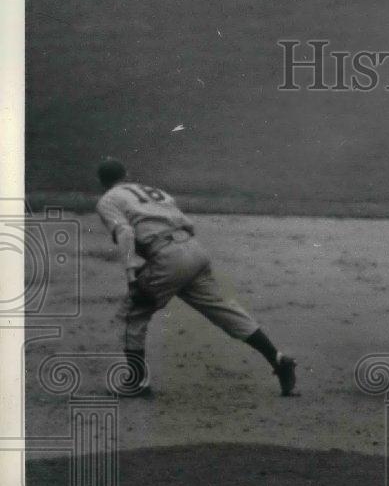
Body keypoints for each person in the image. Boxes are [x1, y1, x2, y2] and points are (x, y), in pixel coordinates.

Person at [95, 158, 297, 397]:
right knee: (224, 309)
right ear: (127, 174)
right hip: (195, 251)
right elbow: (188, 225)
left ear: (101, 183)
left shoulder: (108, 200)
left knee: (133, 313)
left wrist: (132, 275)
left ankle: (136, 383)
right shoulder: (155, 192)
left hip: (168, 257)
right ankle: (277, 358)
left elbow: (125, 232)